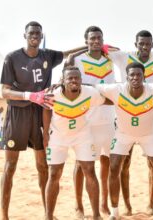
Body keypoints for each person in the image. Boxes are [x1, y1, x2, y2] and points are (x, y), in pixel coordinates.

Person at [0, 21, 85, 220]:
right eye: (31, 33)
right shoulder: (12, 57)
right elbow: (4, 91)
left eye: (38, 33)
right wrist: (29, 95)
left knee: (42, 166)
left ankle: (48, 214)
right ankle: (4, 215)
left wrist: (90, 47)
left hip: (40, 114)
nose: (35, 36)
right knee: (10, 166)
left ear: (41, 35)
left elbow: (66, 53)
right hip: (17, 114)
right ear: (25, 35)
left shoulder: (46, 55)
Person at [95, 62, 153, 219]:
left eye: (138, 74)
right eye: (132, 75)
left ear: (144, 76)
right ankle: (115, 212)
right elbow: (94, 87)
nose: (135, 77)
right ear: (126, 77)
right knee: (114, 167)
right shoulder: (116, 89)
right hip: (123, 134)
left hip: (149, 135)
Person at [107, 30, 153, 215]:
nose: (144, 47)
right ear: (135, 44)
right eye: (141, 44)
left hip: (149, 124)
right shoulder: (122, 58)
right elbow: (100, 48)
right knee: (122, 166)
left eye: (148, 44)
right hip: (124, 123)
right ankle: (124, 207)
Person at [43, 66, 108, 220]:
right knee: (54, 174)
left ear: (81, 80)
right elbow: (45, 109)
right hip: (58, 136)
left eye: (76, 78)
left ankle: (96, 215)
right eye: (70, 78)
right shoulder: (53, 94)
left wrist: (125, 98)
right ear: (63, 81)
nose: (73, 80)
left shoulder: (90, 93)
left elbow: (108, 100)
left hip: (82, 135)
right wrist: (45, 132)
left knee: (89, 171)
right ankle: (48, 216)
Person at [68, 26, 116, 216]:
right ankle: (79, 205)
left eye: (99, 38)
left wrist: (107, 48)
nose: (96, 41)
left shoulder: (111, 59)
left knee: (106, 162)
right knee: (81, 164)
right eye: (92, 38)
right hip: (86, 119)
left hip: (108, 118)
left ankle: (104, 203)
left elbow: (120, 52)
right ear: (86, 40)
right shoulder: (77, 60)